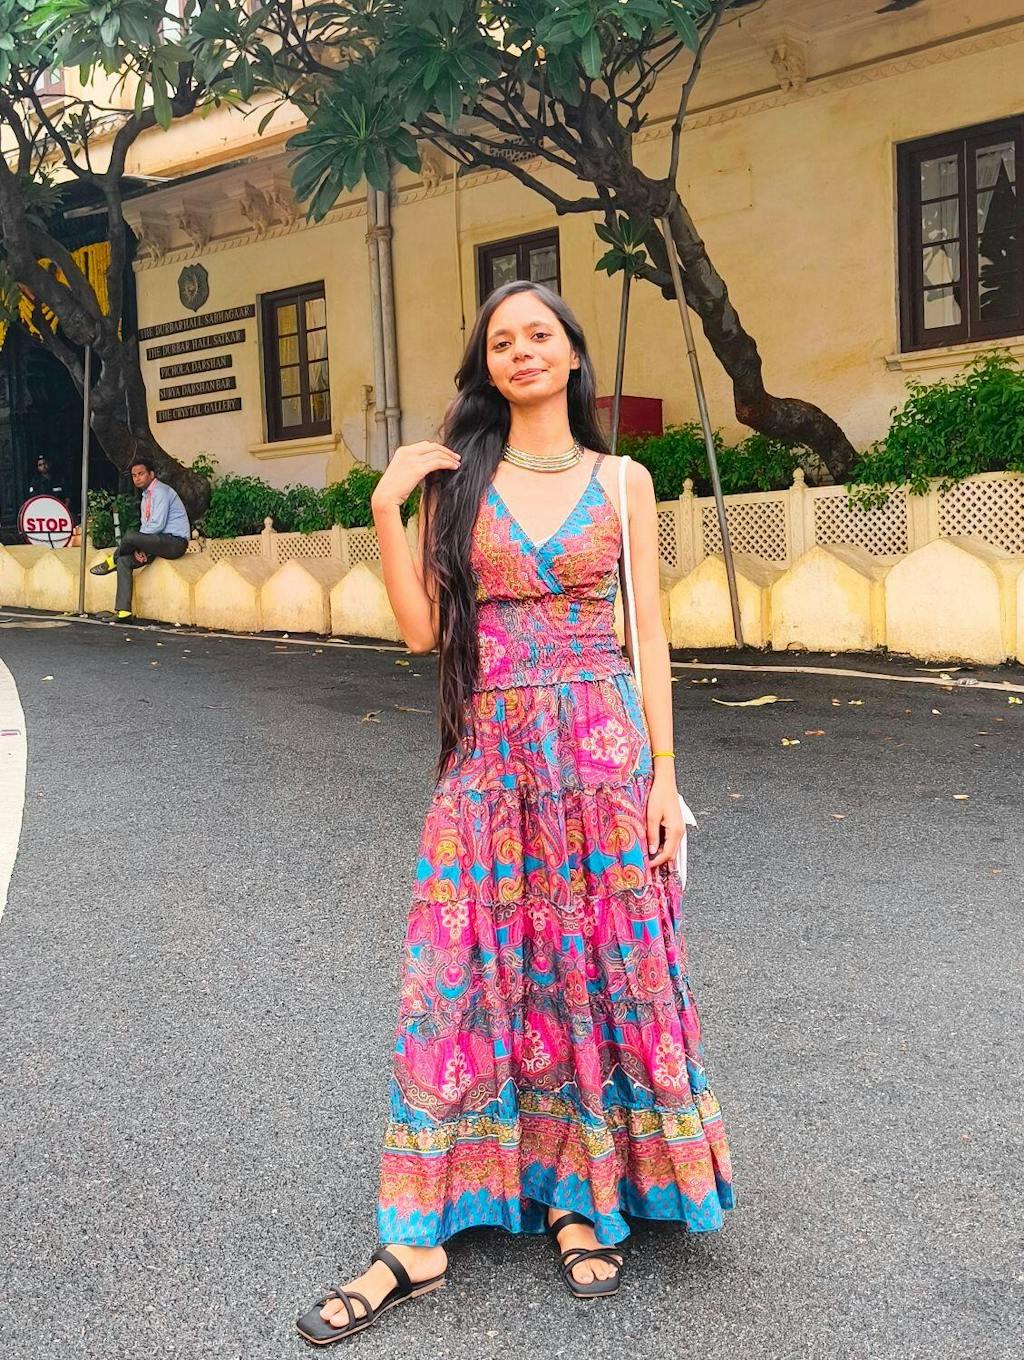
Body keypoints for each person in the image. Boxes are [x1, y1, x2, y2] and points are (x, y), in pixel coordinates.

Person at [295, 281, 734, 1346]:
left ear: (573, 353)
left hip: (600, 752)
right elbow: (420, 633)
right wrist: (387, 508)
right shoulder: (460, 480)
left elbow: (647, 633)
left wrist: (664, 776)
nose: (522, 351)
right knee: (457, 967)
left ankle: (585, 1192)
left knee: (592, 966)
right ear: (486, 365)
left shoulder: (622, 479)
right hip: (488, 752)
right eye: (502, 341)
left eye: (540, 334)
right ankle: (419, 1236)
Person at [90, 456, 190, 621]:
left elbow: (157, 524)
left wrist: (140, 543)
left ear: (151, 474)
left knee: (129, 536)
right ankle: (124, 612)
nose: (137, 478)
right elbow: (146, 528)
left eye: (141, 474)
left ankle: (112, 560)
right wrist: (141, 548)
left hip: (174, 542)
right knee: (124, 561)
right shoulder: (146, 497)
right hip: (157, 543)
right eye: (134, 475)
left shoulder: (161, 492)